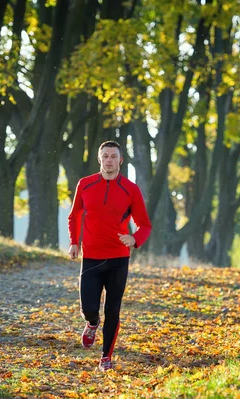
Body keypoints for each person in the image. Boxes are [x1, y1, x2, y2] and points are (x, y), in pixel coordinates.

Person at [67, 141, 152, 371]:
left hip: (118, 258)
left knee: (113, 309)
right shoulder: (85, 185)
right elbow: (74, 215)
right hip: (92, 256)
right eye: (105, 156)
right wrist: (75, 242)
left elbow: (144, 224)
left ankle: (106, 357)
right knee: (88, 308)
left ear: (120, 160)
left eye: (114, 156)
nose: (109, 160)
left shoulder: (130, 189)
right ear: (99, 159)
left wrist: (134, 240)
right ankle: (92, 323)